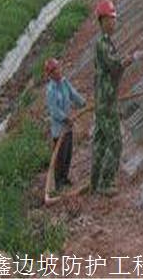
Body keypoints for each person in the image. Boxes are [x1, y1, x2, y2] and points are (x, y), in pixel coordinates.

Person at [91, 0, 140, 195]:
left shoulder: (106, 42)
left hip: (105, 99)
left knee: (101, 142)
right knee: (116, 142)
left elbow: (114, 66)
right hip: (106, 101)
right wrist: (126, 61)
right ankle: (106, 183)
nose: (114, 22)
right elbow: (113, 65)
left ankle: (95, 183)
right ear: (102, 20)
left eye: (114, 19)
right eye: (111, 19)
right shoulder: (102, 43)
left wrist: (124, 61)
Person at [45, 57, 86, 191]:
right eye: (54, 70)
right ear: (50, 74)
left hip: (68, 127)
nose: (58, 71)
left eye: (58, 68)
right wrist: (65, 118)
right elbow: (54, 110)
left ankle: (65, 177)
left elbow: (73, 94)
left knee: (68, 153)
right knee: (60, 156)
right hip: (59, 129)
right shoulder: (51, 90)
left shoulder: (64, 82)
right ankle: (58, 182)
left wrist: (83, 102)